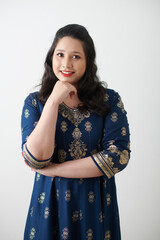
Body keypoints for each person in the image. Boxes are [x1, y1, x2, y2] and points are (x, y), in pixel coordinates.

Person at [21, 24, 130, 240]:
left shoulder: (109, 100)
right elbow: (36, 160)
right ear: (51, 57)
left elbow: (118, 157)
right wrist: (53, 101)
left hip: (95, 208)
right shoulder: (35, 103)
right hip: (49, 207)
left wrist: (54, 170)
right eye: (60, 54)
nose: (66, 63)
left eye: (76, 56)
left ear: (88, 61)